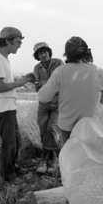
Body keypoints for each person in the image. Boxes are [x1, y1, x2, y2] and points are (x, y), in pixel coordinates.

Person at [38, 36, 103, 144]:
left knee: (72, 157)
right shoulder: (99, 72)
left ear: (67, 54)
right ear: (87, 52)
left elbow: (43, 97)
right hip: (91, 127)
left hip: (67, 127)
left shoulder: (60, 72)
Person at [0, 27, 35, 185]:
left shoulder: (3, 59)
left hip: (8, 106)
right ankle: (9, 177)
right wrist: (19, 83)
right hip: (2, 107)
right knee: (9, 143)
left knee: (16, 141)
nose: (19, 45)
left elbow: (4, 84)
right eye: (17, 42)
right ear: (7, 40)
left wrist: (19, 81)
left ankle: (15, 167)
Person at [32, 42, 64, 175]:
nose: (43, 55)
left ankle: (46, 159)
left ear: (49, 52)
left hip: (58, 103)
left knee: (52, 129)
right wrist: (41, 85)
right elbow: (37, 88)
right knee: (43, 129)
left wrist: (46, 85)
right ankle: (53, 158)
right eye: (40, 53)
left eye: (44, 52)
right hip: (44, 103)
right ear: (37, 56)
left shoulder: (58, 63)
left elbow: (64, 81)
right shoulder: (36, 68)